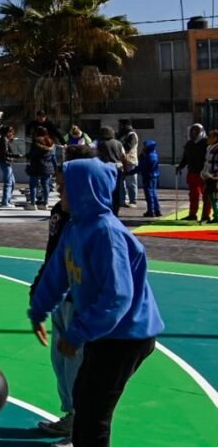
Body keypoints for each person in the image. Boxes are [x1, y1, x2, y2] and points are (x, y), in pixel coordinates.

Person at [29, 158, 164, 447]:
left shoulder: (106, 234)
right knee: (83, 400)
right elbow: (56, 273)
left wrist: (79, 332)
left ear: (84, 189)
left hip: (127, 335)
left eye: (64, 187)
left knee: (93, 414)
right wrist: (38, 309)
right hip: (105, 332)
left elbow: (118, 296)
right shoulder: (75, 228)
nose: (58, 193)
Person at [28, 144, 93, 439]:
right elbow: (53, 255)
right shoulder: (61, 211)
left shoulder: (92, 218)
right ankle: (71, 415)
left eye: (63, 180)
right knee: (61, 362)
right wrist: (40, 289)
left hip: (80, 302)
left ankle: (81, 426)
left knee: (77, 365)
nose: (58, 184)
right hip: (61, 299)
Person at [177, 123, 208, 222]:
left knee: (206, 195)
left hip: (204, 174)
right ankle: (192, 214)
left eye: (196, 131)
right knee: (193, 195)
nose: (194, 133)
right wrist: (180, 166)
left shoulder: (206, 143)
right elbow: (185, 158)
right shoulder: (189, 144)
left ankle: (206, 215)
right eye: (193, 131)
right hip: (192, 173)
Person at [94, 126, 128, 217]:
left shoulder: (100, 144)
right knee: (116, 191)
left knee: (106, 190)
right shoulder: (119, 143)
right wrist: (125, 169)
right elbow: (124, 157)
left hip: (105, 168)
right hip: (118, 168)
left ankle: (107, 210)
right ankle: (115, 211)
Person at [26, 127, 57, 211]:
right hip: (48, 167)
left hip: (36, 166)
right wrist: (55, 168)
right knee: (46, 185)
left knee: (33, 185)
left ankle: (33, 204)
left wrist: (27, 157)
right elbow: (53, 157)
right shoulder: (51, 142)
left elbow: (31, 155)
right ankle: (45, 204)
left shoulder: (36, 142)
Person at [117, 120, 139, 208]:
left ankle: (133, 201)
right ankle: (122, 200)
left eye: (120, 125)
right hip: (121, 161)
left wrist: (120, 145)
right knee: (120, 183)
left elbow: (128, 147)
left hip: (130, 161)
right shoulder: (120, 135)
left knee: (131, 182)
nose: (119, 127)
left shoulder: (132, 135)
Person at [0, 126, 19, 207]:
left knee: (12, 182)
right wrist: (16, 156)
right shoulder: (4, 140)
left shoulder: (6, 140)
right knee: (8, 182)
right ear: (8, 133)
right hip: (5, 162)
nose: (12, 134)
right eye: (11, 132)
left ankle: (8, 200)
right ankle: (5, 202)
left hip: (7, 162)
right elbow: (5, 152)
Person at [139, 140, 162, 218]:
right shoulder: (154, 154)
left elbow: (142, 166)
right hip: (154, 176)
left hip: (148, 176)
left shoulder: (148, 156)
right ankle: (157, 210)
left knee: (149, 194)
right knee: (154, 193)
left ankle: (151, 210)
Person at [202, 130, 218, 224]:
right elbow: (207, 163)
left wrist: (213, 175)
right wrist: (204, 173)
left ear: (215, 138)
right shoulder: (209, 148)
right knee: (211, 197)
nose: (207, 139)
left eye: (210, 137)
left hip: (214, 177)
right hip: (209, 176)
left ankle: (217, 216)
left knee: (214, 197)